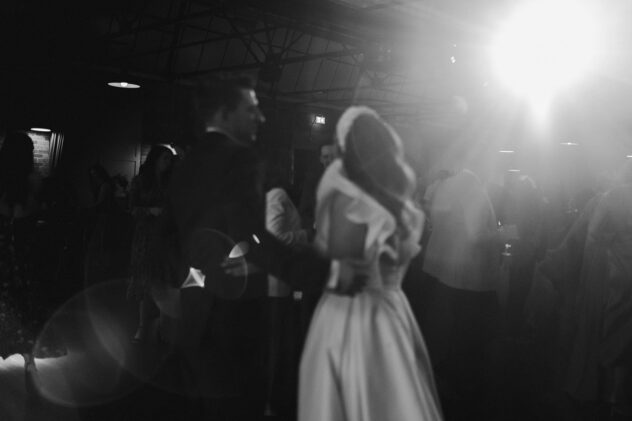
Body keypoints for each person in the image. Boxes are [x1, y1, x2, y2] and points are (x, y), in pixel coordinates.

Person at [166, 76, 330, 420]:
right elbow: (253, 236)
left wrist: (176, 285)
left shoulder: (186, 163)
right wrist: (323, 272)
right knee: (238, 405)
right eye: (251, 109)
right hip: (232, 314)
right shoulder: (240, 157)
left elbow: (172, 234)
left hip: (194, 307)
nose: (261, 117)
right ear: (225, 114)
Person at [298, 106, 442, 421]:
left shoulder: (350, 201)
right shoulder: (397, 201)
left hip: (354, 316)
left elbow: (344, 277)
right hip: (393, 311)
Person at [128, 144, 175, 343]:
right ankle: (142, 326)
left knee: (163, 280)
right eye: (165, 158)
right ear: (155, 159)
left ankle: (162, 327)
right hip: (145, 236)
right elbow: (131, 208)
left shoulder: (170, 181)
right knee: (144, 280)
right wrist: (149, 211)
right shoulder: (141, 181)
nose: (168, 163)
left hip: (165, 236)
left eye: (170, 159)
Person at [0, 131, 41, 359]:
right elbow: (28, 214)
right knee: (23, 304)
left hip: (3, 249)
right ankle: (28, 360)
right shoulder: (33, 180)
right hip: (23, 252)